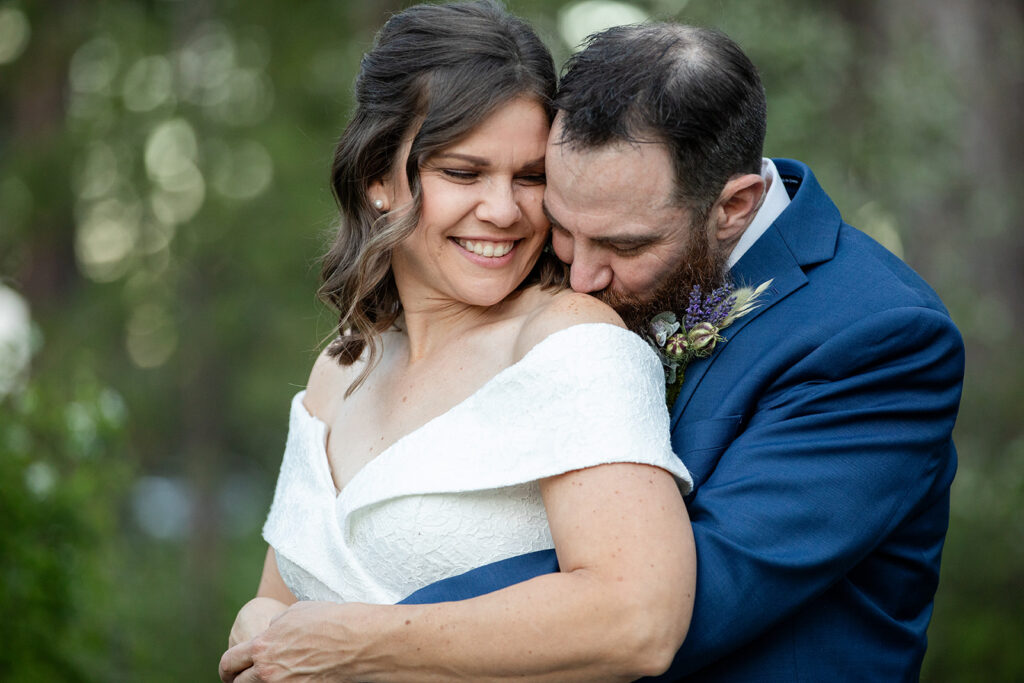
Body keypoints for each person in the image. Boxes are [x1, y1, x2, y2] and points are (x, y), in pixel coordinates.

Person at [399, 22, 966, 681]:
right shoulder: (575, 275)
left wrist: (375, 621)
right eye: (561, 225)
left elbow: (675, 593)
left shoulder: (880, 337)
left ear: (734, 205)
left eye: (626, 245)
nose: (580, 276)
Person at [219, 3, 696, 682]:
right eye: (464, 174)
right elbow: (287, 595)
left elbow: (638, 617)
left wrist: (363, 646)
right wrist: (256, 621)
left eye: (530, 178)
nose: (503, 211)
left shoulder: (569, 342)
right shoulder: (342, 365)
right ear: (378, 179)